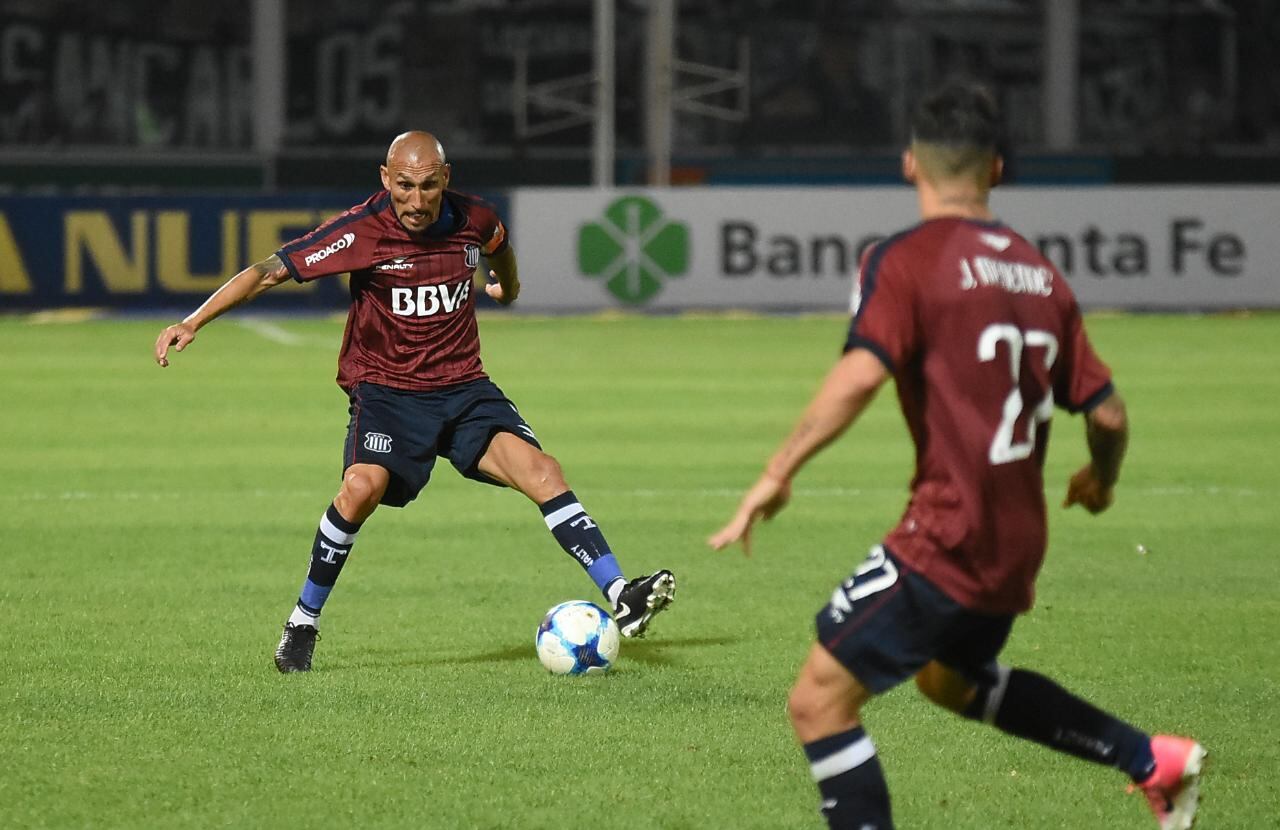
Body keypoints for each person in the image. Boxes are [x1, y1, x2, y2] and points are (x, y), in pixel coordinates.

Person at [708, 83, 1204, 830]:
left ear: (910, 165)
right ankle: (1148, 760)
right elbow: (1108, 411)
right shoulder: (1043, 276)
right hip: (1016, 544)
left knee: (818, 702)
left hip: (949, 533)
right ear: (997, 169)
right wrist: (1101, 479)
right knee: (951, 681)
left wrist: (776, 473)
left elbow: (862, 372)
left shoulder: (904, 259)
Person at [155, 131, 675, 673]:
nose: (417, 199)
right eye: (405, 185)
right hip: (387, 392)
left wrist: (508, 288)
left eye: (429, 185)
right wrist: (192, 322)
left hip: (464, 389)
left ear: (445, 180)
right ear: (386, 179)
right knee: (360, 489)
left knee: (543, 471)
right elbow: (268, 271)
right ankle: (302, 623)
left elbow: (498, 246)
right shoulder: (360, 230)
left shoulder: (474, 219)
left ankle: (621, 591)